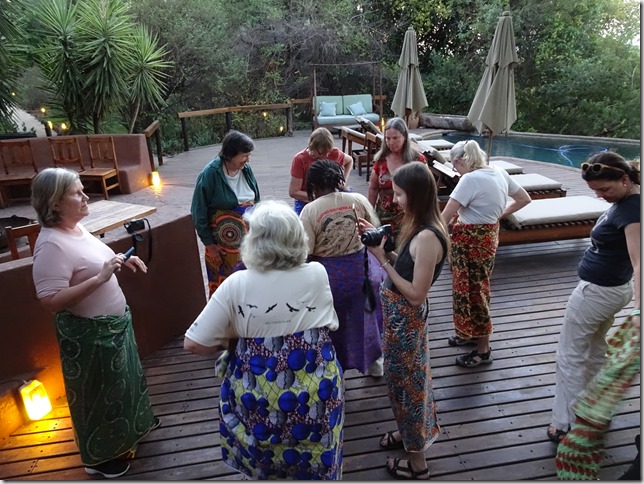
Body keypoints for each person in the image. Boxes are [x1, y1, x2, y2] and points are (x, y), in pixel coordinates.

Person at [183, 200, 344, 480]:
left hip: (258, 397)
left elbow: (193, 343)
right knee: (318, 456)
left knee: (264, 460)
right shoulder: (318, 274)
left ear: (254, 240)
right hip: (317, 393)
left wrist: (232, 339)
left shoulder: (236, 284)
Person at [31, 168, 159, 479]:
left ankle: (129, 433)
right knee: (99, 397)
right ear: (56, 202)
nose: (85, 196)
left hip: (113, 329)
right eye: (77, 192)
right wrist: (100, 278)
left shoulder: (75, 228)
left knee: (121, 385)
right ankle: (99, 460)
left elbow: (90, 262)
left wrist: (121, 259)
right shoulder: (51, 245)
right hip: (91, 337)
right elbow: (50, 301)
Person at [359, 162, 449, 480]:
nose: (394, 200)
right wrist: (383, 250)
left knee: (409, 388)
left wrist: (381, 260)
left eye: (399, 194)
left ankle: (417, 463)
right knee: (398, 383)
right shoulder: (419, 227)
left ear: (415, 194)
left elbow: (415, 294)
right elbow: (409, 270)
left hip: (406, 322)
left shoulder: (428, 237)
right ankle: (407, 434)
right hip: (399, 321)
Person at [547, 152, 640, 444]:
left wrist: (639, 310)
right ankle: (596, 411)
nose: (600, 195)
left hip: (597, 293)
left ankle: (566, 423)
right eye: (596, 191)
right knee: (595, 350)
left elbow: (639, 261)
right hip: (611, 290)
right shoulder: (629, 202)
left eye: (604, 189)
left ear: (624, 179)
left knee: (569, 355)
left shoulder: (632, 211)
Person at [441, 140, 531, 368]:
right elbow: (524, 199)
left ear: (459, 161)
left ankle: (483, 350)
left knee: (474, 292)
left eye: (454, 166)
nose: (455, 171)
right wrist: (497, 214)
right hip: (488, 237)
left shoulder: (469, 179)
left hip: (470, 242)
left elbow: (444, 217)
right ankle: (468, 333)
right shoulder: (498, 172)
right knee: (473, 289)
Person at [300, 159, 386, 376]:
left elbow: (305, 251)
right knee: (366, 317)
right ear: (339, 180)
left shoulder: (310, 210)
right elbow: (374, 230)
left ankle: (335, 370)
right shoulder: (358, 199)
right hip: (362, 270)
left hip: (328, 276)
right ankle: (376, 365)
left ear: (313, 185)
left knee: (331, 324)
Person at [191, 130, 260, 297]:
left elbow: (257, 199)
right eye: (244, 155)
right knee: (226, 287)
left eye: (249, 155)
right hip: (223, 243)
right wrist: (209, 245)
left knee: (249, 284)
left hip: (248, 240)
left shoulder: (246, 169)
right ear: (231, 154)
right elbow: (198, 210)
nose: (248, 159)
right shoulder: (211, 173)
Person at [368, 117, 427, 240]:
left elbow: (426, 189)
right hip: (384, 217)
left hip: (409, 216)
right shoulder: (381, 160)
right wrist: (369, 213)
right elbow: (373, 188)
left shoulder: (417, 160)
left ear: (404, 136)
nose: (391, 142)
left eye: (395, 138)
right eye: (387, 138)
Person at [289, 127, 352, 215]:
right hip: (308, 199)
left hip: (333, 194)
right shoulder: (300, 159)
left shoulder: (334, 153)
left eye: (328, 153)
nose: (325, 157)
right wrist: (320, 198)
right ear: (312, 146)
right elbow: (293, 192)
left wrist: (343, 180)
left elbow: (349, 161)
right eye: (321, 153)